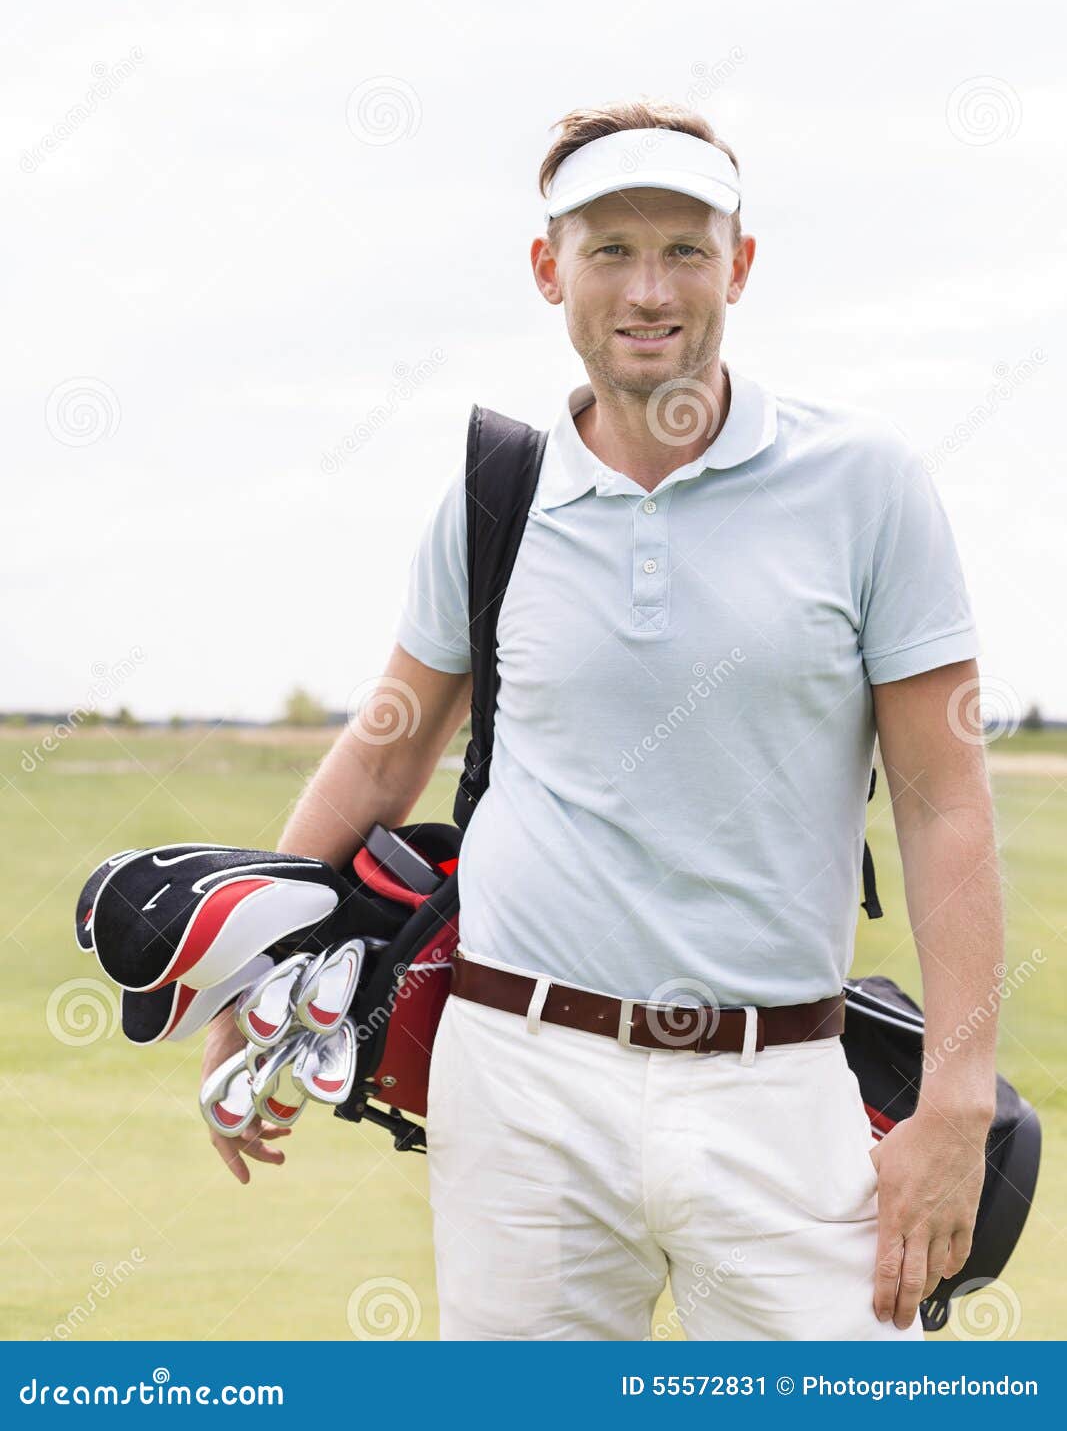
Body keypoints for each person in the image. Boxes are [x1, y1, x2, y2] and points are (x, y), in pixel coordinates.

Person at [201, 99, 1003, 1342]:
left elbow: (943, 800)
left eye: (684, 249)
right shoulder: (493, 497)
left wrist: (952, 1093)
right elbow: (385, 746)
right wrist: (253, 989)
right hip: (518, 1082)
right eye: (608, 249)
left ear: (738, 265)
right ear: (547, 270)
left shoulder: (867, 486)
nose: (648, 289)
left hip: (781, 1085)